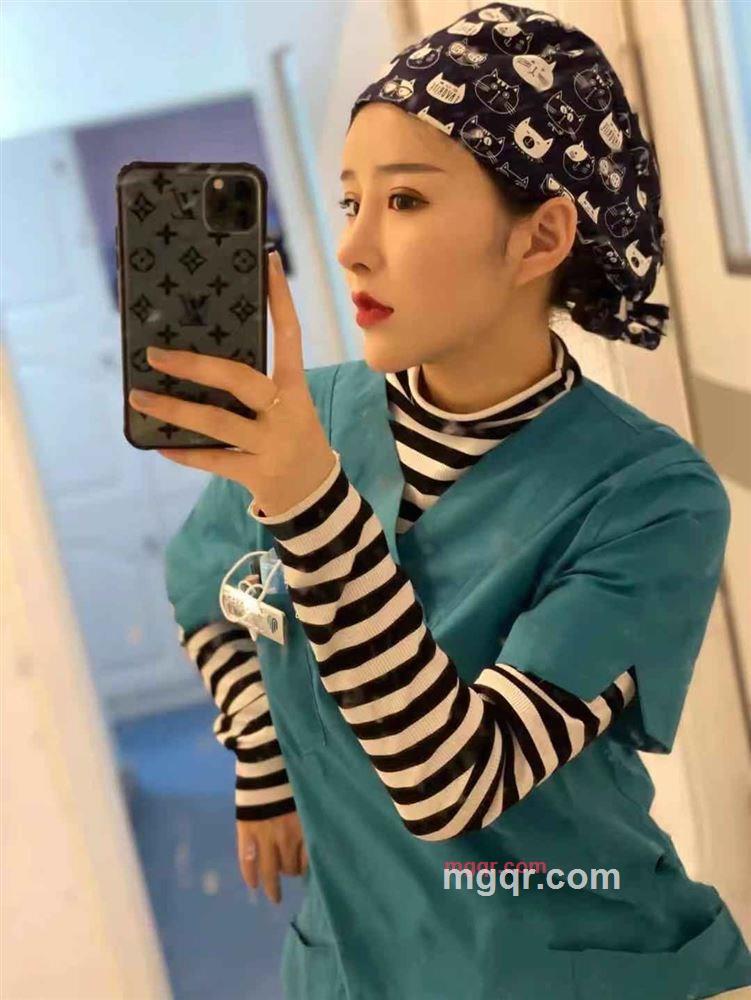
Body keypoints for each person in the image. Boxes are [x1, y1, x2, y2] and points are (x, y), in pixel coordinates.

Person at [162, 3, 751, 997]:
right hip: (355, 961)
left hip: (557, 960)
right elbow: (207, 592)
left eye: (403, 200)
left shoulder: (650, 498)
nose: (351, 248)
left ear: (540, 237)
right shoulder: (309, 421)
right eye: (349, 201)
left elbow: (457, 780)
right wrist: (264, 757)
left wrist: (309, 504)